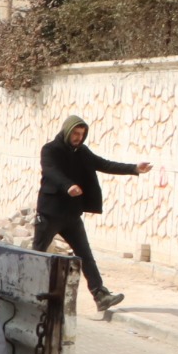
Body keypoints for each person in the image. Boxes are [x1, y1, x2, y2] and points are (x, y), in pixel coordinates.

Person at [34, 114, 148, 313]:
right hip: (50, 213)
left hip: (71, 216)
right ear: (67, 131)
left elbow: (104, 164)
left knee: (85, 255)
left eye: (82, 134)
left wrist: (133, 168)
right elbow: (51, 171)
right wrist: (68, 186)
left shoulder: (82, 152)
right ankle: (28, 290)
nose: (79, 137)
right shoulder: (50, 150)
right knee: (36, 255)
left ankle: (100, 295)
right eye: (76, 133)